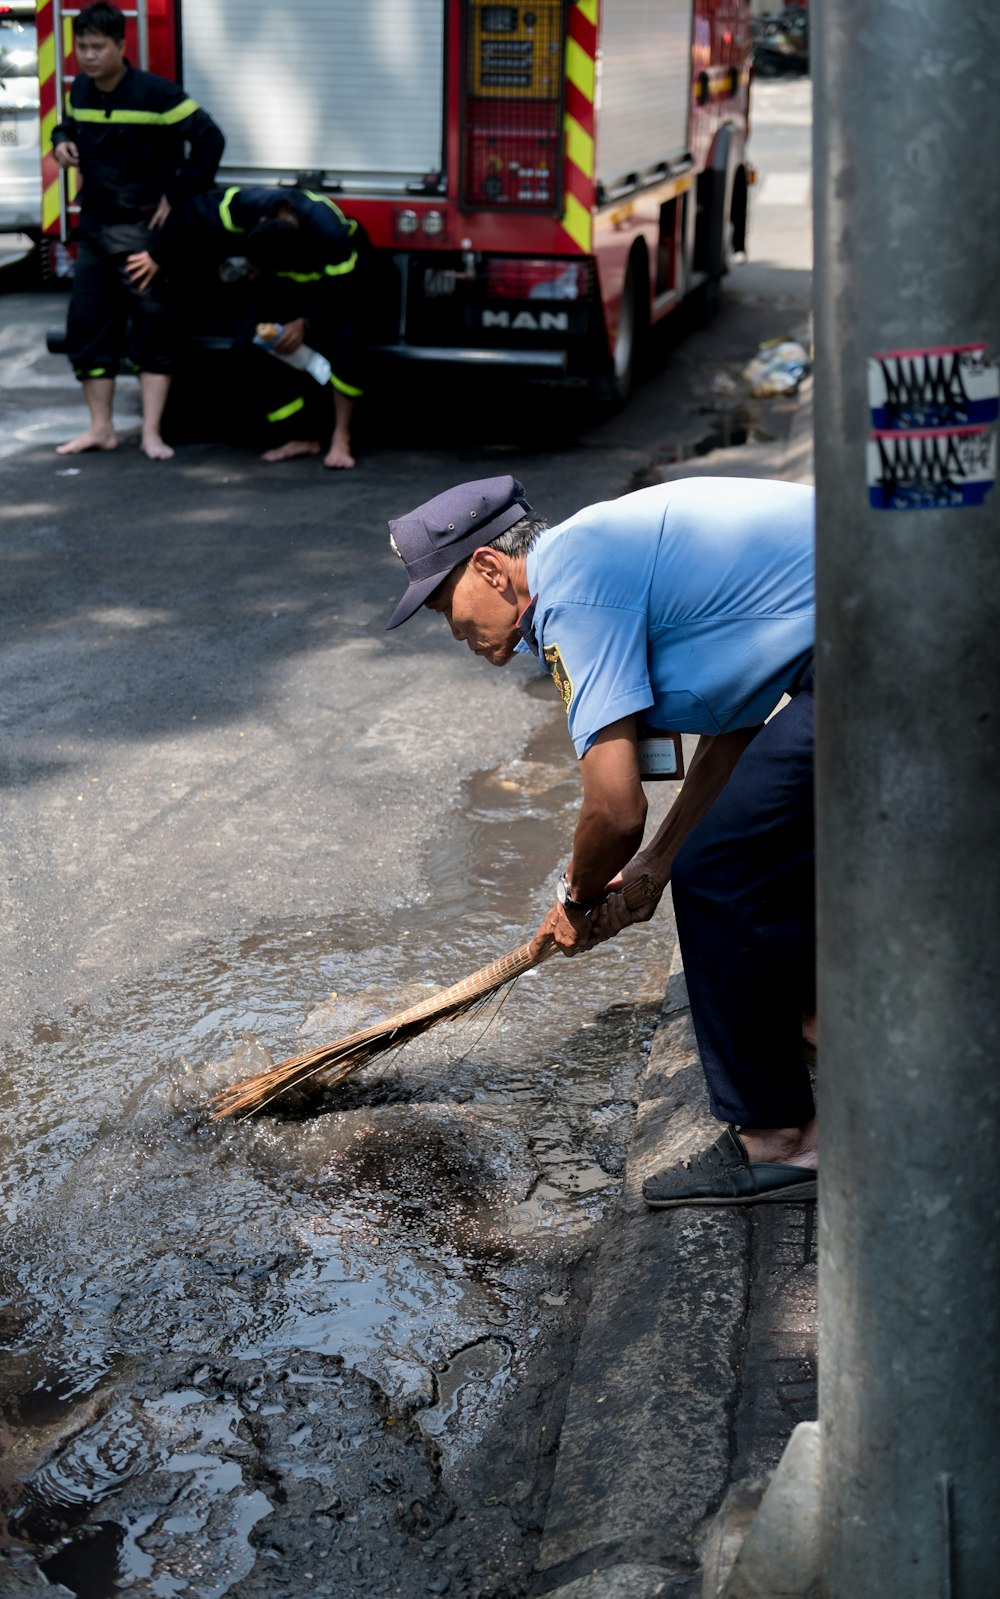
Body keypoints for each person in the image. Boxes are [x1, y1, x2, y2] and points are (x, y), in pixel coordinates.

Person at [385, 474, 818, 1208]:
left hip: (895, 635)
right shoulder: (586, 558)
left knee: (720, 867)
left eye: (442, 604)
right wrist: (653, 866)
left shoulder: (570, 599)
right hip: (884, 625)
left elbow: (615, 808)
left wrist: (581, 900)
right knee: (749, 838)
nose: (452, 630)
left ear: (490, 568)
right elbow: (737, 727)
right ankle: (815, 1021)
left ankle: (782, 1142)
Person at [51, 1, 224, 459]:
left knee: (153, 331)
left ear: (121, 46)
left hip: (142, 233)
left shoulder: (156, 94)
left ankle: (151, 433)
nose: (87, 56)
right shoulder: (81, 91)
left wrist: (180, 194)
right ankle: (101, 429)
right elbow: (68, 125)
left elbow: (210, 139)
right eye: (81, 47)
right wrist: (61, 141)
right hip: (94, 231)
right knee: (86, 329)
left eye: (96, 47)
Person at [127, 186, 368, 469]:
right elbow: (191, 211)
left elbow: (346, 293)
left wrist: (306, 322)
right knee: (247, 345)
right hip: (280, 285)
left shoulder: (329, 230)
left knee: (347, 344)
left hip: (337, 287)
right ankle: (300, 434)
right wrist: (158, 254)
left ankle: (341, 439)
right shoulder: (248, 206)